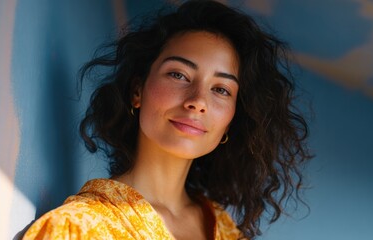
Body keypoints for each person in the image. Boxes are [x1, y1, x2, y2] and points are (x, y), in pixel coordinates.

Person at [23, 0, 310, 239]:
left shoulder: (228, 232)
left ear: (232, 120)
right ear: (138, 90)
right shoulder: (76, 228)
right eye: (179, 75)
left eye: (221, 89)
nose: (197, 101)